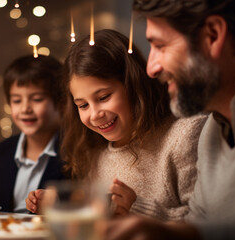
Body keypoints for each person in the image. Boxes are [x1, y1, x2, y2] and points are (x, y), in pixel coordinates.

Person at [106, 0, 235, 239]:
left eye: (160, 45)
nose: (151, 68)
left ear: (213, 35)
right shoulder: (212, 128)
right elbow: (197, 222)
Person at [26, 29, 206, 219]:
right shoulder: (93, 152)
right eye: (83, 105)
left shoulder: (185, 136)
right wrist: (63, 206)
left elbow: (206, 224)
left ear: (133, 85)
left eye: (104, 97)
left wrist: (135, 208)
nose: (95, 115)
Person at [0, 55, 69, 213]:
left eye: (37, 99)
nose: (25, 108)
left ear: (61, 104)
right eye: (17, 101)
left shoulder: (75, 154)